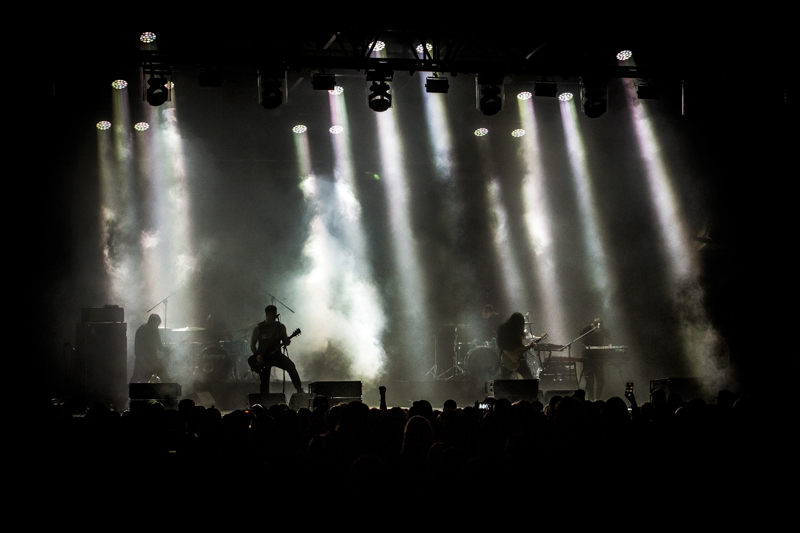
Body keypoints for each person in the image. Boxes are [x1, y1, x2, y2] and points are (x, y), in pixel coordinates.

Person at [249, 305, 304, 395]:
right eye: (271, 314)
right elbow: (252, 344)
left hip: (277, 356)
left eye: (274, 314)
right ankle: (265, 400)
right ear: (266, 314)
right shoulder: (258, 328)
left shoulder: (280, 326)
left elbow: (285, 342)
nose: (273, 316)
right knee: (264, 382)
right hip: (263, 358)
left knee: (291, 366)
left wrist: (287, 341)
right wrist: (257, 356)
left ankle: (299, 389)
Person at [496, 312, 537, 379]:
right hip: (507, 358)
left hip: (518, 358)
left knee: (529, 378)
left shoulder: (517, 331)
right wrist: (510, 355)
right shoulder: (503, 328)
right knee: (504, 381)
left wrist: (530, 346)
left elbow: (520, 347)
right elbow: (501, 344)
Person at [132, 314, 171, 382]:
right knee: (137, 384)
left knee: (167, 379)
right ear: (150, 322)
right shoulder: (140, 331)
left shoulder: (155, 330)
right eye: (156, 325)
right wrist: (145, 365)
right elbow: (137, 352)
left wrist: (167, 349)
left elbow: (159, 345)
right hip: (142, 363)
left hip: (153, 360)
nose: (156, 327)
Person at [579, 318, 611, 401]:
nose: (598, 330)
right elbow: (582, 342)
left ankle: (598, 398)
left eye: (599, 329)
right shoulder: (586, 329)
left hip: (598, 357)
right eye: (597, 328)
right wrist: (587, 348)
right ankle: (591, 399)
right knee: (589, 380)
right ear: (593, 325)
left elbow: (609, 337)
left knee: (601, 379)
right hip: (588, 357)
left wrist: (609, 345)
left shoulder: (603, 330)